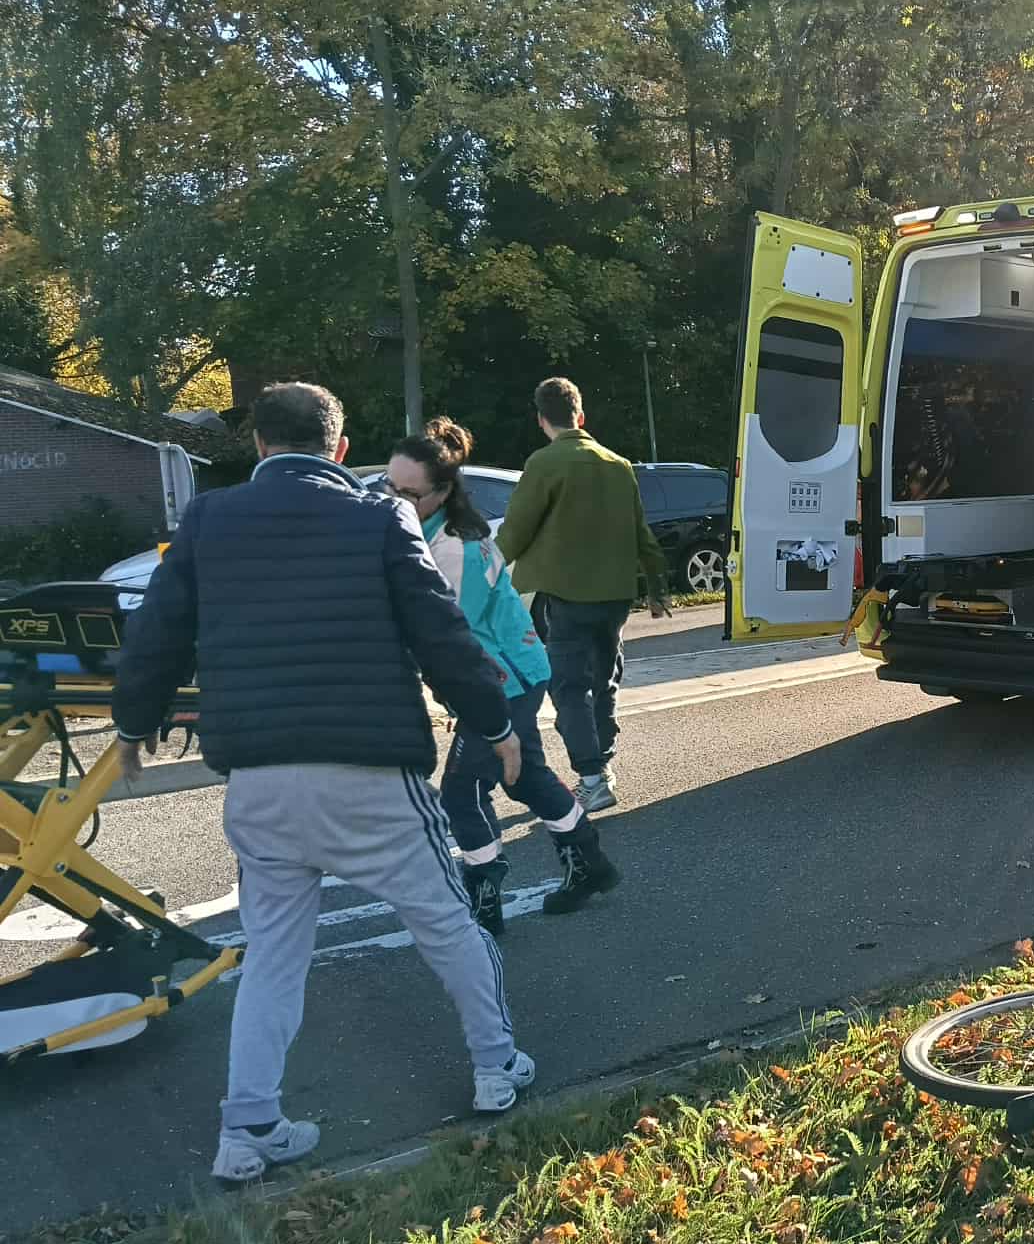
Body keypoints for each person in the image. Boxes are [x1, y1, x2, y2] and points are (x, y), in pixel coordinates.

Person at [111, 382, 537, 1183]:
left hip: (260, 779)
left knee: (272, 953)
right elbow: (439, 634)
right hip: (372, 768)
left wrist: (134, 727)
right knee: (445, 921)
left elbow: (156, 634)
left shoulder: (207, 519)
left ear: (260, 446)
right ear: (341, 450)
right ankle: (495, 1063)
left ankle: (247, 1128)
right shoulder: (382, 515)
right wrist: (498, 725)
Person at [387, 418, 620, 931]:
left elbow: (451, 639)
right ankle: (591, 864)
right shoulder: (429, 533)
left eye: (410, 493)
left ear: (443, 492)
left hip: (501, 679)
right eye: (389, 487)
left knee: (462, 792)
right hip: (510, 670)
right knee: (525, 776)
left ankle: (484, 898)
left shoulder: (451, 550)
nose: (397, 501)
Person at [496, 377, 671, 815]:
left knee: (569, 687)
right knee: (604, 678)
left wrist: (487, 574)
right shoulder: (618, 464)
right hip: (614, 595)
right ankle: (604, 767)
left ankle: (592, 778)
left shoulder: (544, 463)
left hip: (564, 596)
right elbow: (641, 534)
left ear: (541, 419)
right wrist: (657, 588)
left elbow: (515, 530)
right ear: (581, 415)